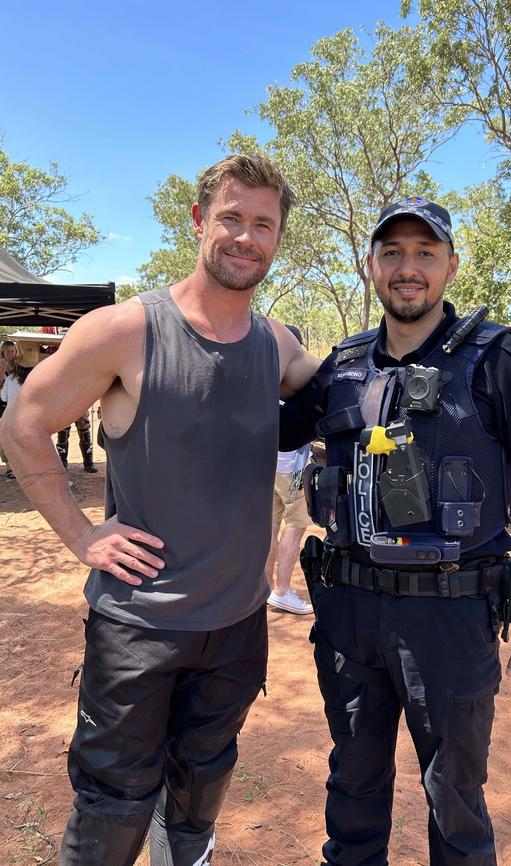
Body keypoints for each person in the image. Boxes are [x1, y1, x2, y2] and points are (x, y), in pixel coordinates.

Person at [0, 154, 320, 866]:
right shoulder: (125, 331)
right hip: (138, 627)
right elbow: (23, 424)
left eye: (263, 225)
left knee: (201, 789)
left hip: (237, 627)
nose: (246, 237)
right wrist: (82, 534)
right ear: (200, 221)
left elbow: (342, 392)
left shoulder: (276, 344)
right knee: (114, 805)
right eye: (232, 218)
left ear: (277, 238)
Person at [279, 196, 511, 866]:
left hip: (451, 621)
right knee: (352, 791)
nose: (408, 268)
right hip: (348, 619)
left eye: (425, 253)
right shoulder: (342, 365)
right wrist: (249, 352)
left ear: (451, 265)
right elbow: (267, 430)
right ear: (371, 265)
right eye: (392, 252)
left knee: (455, 801)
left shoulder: (494, 360)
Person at [266, 324, 314, 616]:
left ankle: (267, 588)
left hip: (266, 467)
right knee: (295, 526)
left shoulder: (263, 377)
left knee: (270, 526)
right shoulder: (299, 381)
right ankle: (282, 591)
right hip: (292, 469)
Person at [0, 340, 30, 478]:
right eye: (7, 352)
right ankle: (9, 467)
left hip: (18, 406)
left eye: (13, 351)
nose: (11, 354)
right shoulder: (2, 367)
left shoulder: (21, 366)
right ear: (3, 354)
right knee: (4, 437)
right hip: (3, 406)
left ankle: (22, 465)